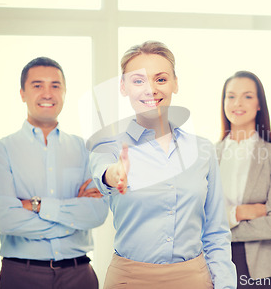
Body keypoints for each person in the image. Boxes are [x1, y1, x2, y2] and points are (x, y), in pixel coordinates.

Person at [89, 41, 237, 289]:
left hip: (194, 279)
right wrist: (113, 175)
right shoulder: (108, 147)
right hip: (129, 280)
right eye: (138, 81)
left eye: (160, 79)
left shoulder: (202, 151)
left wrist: (225, 286)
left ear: (175, 83)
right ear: (123, 87)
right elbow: (102, 175)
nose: (151, 89)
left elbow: (216, 232)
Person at [0, 57, 109, 289]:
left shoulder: (85, 150)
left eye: (55, 85)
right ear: (22, 93)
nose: (47, 93)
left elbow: (96, 214)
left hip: (79, 275)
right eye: (37, 85)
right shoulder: (1, 150)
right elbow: (7, 219)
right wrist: (72, 217)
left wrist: (35, 205)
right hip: (21, 275)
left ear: (64, 92)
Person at [216, 71, 271, 288]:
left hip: (267, 271)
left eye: (247, 96)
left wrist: (223, 224)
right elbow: (199, 219)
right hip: (218, 265)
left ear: (259, 104)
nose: (238, 102)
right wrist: (239, 213)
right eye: (231, 96)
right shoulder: (208, 155)